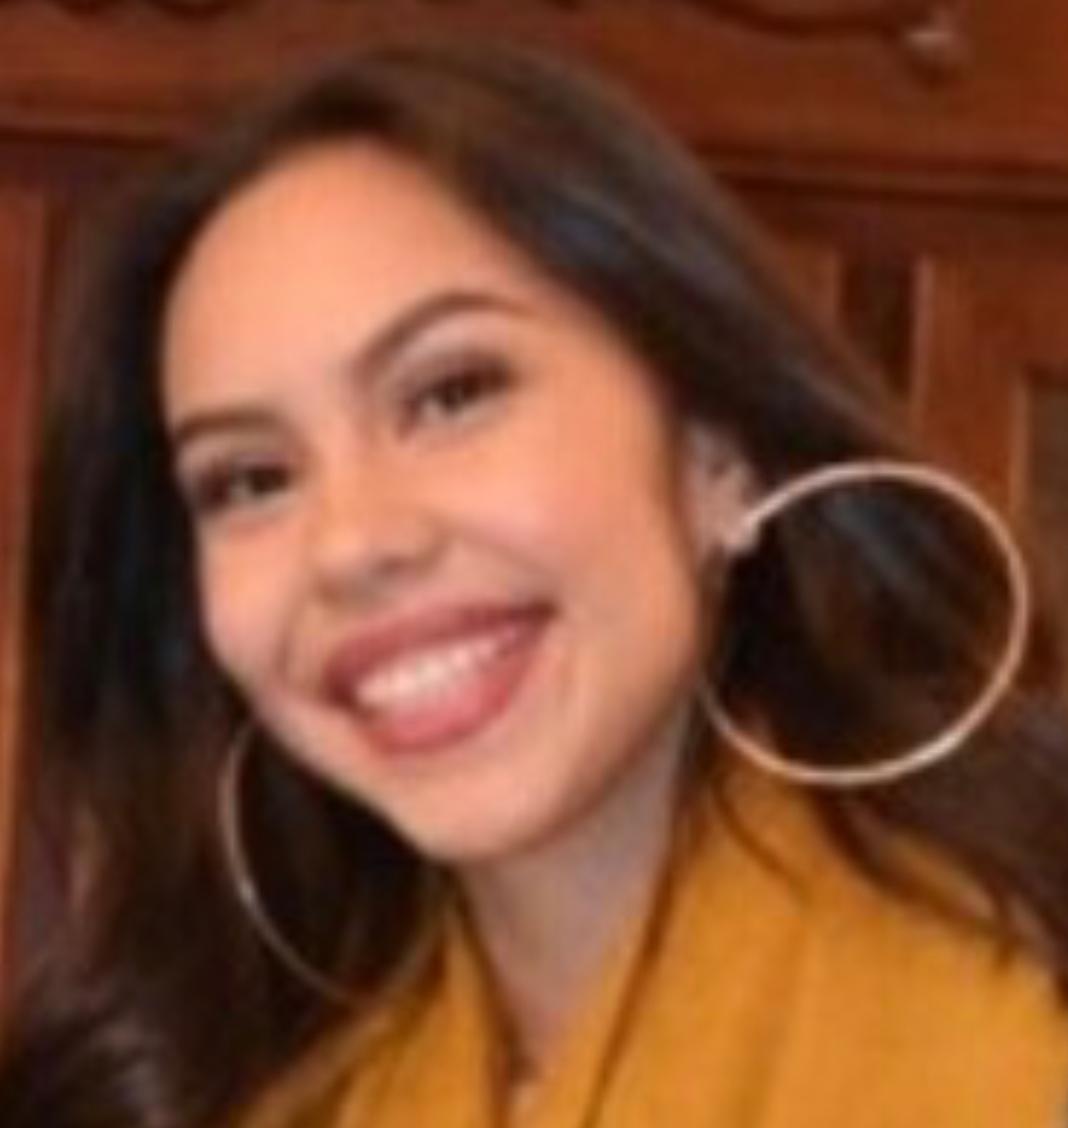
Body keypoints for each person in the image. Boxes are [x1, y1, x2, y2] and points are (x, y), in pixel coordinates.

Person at [2, 36, 1068, 1128]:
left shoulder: (1023, 1016)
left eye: (452, 393)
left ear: (716, 450)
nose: (352, 544)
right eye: (251, 479)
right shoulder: (222, 1092)